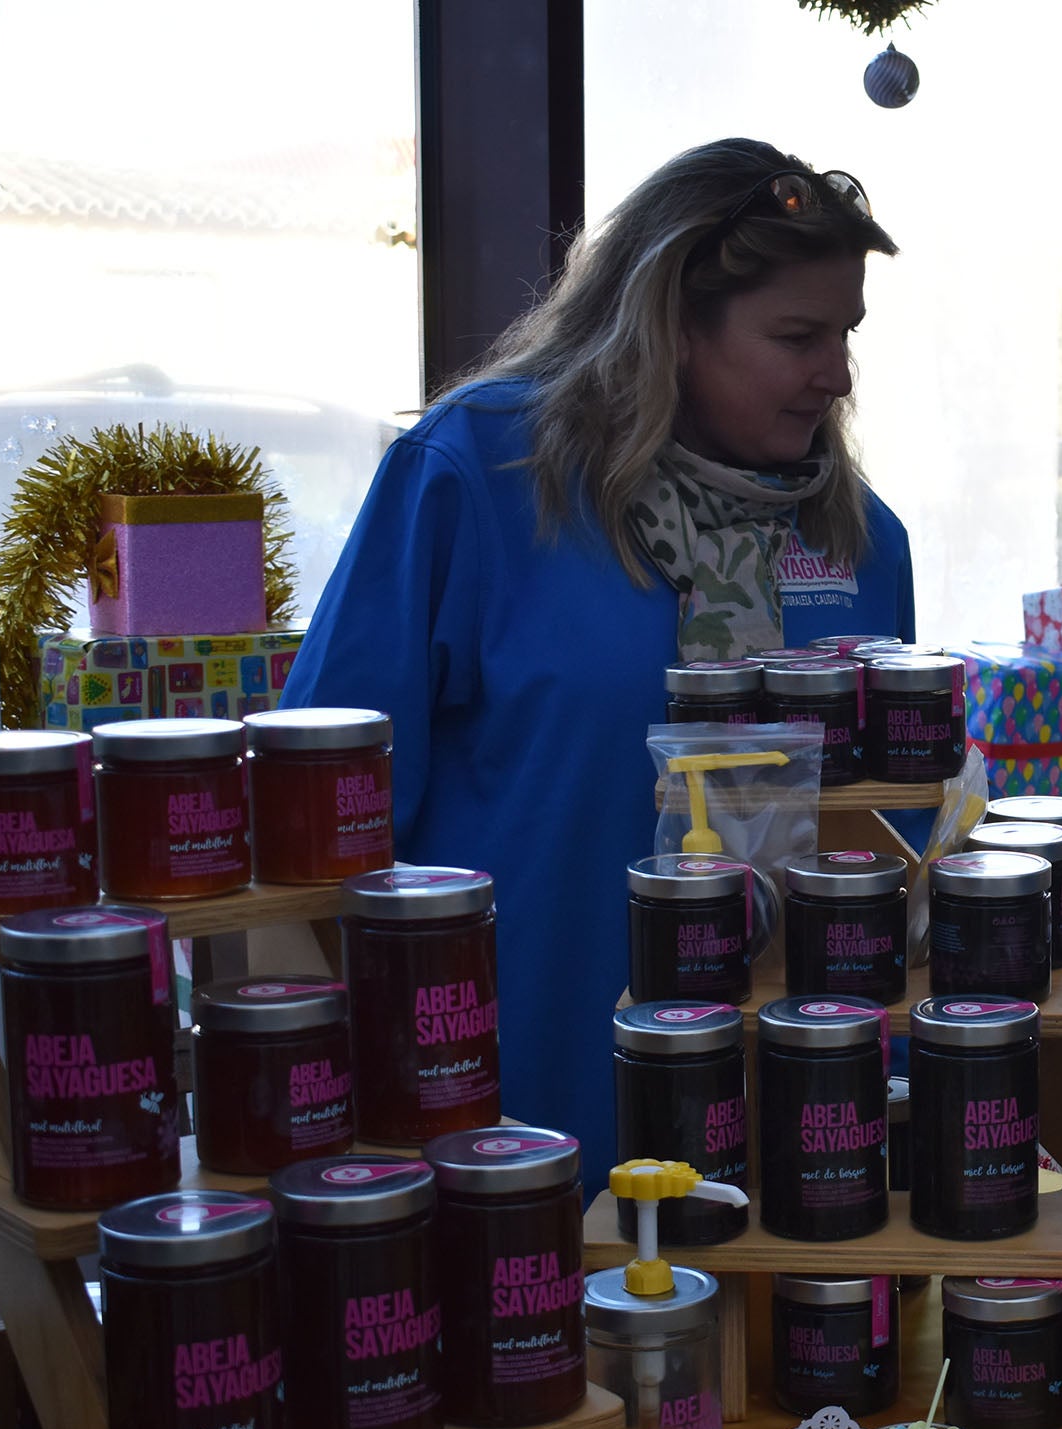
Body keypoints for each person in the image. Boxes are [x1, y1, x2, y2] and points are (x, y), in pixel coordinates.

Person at [282, 139, 913, 1188]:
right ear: (666, 325)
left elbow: (877, 844)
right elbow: (322, 813)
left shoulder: (858, 541)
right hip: (514, 1114)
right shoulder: (480, 475)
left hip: (777, 1134)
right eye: (797, 336)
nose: (837, 374)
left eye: (846, 333)